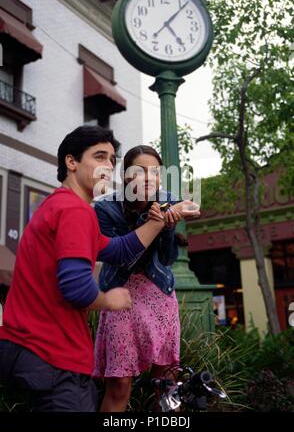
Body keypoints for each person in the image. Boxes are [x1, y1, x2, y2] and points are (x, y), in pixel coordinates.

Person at [0, 126, 197, 412]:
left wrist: (163, 221)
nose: (107, 165)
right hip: (51, 355)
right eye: (99, 156)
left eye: (111, 159)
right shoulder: (76, 211)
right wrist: (108, 300)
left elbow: (118, 249)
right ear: (72, 162)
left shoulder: (61, 205)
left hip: (34, 349)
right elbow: (77, 289)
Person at [93, 145, 200, 412]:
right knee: (119, 385)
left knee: (166, 383)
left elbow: (166, 258)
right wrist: (151, 221)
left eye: (155, 172)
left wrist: (168, 227)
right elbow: (120, 257)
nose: (149, 178)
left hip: (159, 296)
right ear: (127, 176)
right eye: (140, 171)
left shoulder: (168, 200)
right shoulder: (106, 208)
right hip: (121, 298)